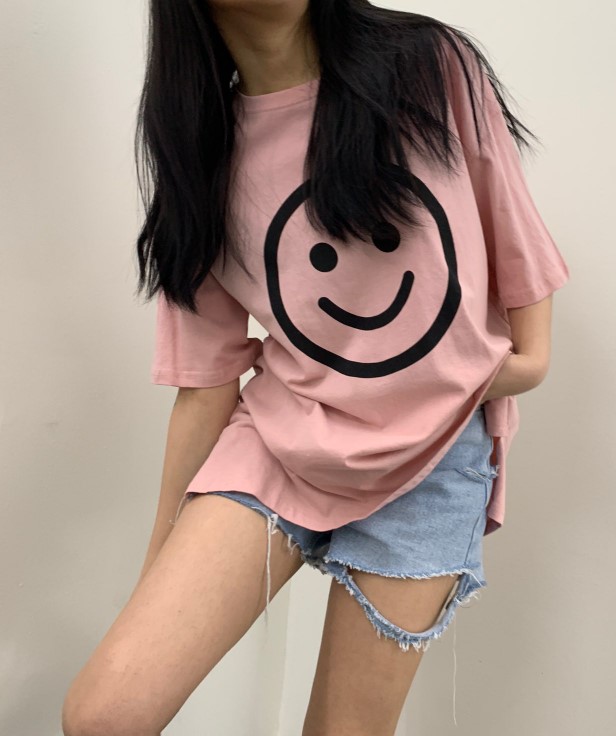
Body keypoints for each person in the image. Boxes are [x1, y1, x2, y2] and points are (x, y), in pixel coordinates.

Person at [62, 1, 570, 734]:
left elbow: (508, 215)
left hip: (433, 454)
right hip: (284, 437)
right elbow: (206, 381)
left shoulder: (428, 65)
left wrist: (529, 361)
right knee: (104, 715)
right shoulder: (199, 144)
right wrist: (157, 569)